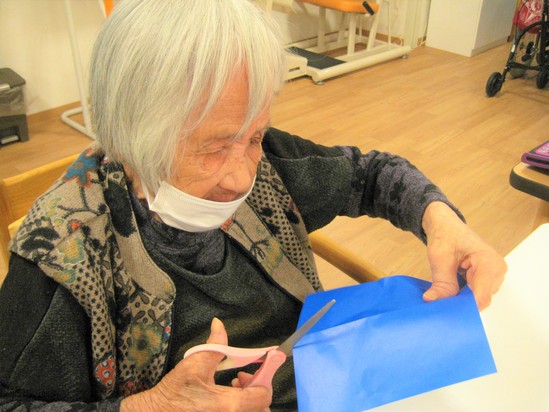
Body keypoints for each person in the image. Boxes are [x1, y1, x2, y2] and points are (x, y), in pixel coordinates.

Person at [0, 0, 506, 411]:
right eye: (214, 148)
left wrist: (441, 221)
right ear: (132, 136)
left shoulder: (264, 163)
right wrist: (148, 408)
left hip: (334, 382)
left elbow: (372, 175)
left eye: (255, 136)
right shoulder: (63, 256)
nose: (242, 177)